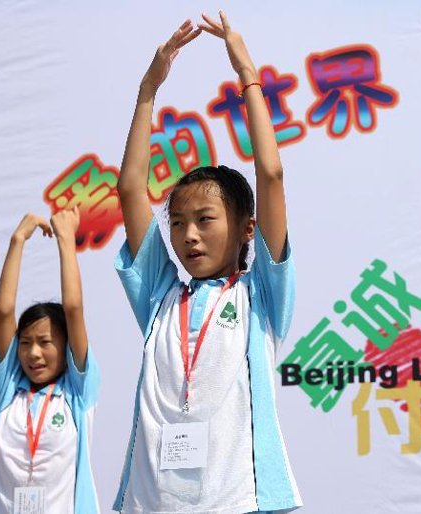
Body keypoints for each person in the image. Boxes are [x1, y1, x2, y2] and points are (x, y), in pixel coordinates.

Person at [112, 12, 300, 513]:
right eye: (176, 222)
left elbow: (273, 174)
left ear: (246, 228)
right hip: (150, 503)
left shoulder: (259, 293)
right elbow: (130, 188)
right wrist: (148, 89)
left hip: (236, 501)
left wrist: (247, 74)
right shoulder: (160, 293)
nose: (188, 235)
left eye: (205, 219)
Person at [0, 207, 100, 513]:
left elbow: (73, 308)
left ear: (66, 345)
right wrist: (17, 240)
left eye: (45, 343)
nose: (33, 353)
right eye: (26, 343)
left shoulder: (77, 391)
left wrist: (66, 240)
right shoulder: (9, 389)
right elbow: (4, 312)